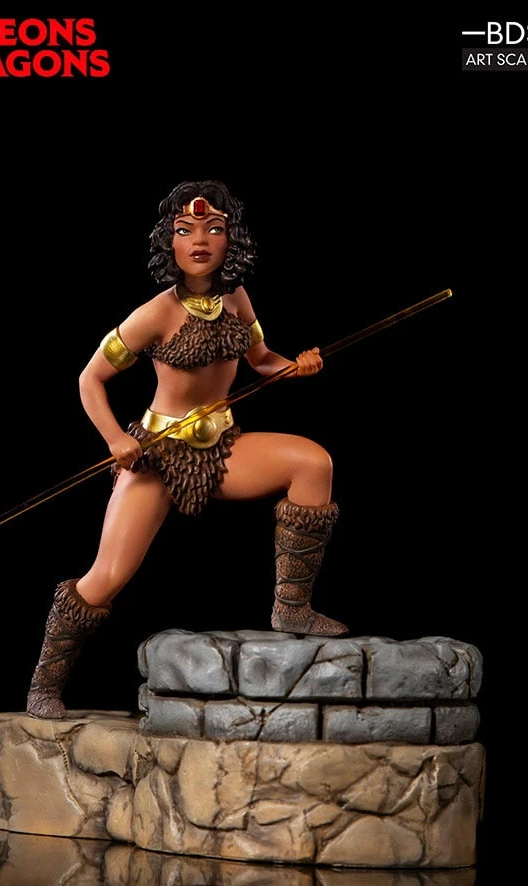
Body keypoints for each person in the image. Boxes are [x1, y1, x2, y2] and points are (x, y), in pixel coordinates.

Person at [26, 180, 347, 720]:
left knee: (313, 464)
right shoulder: (155, 313)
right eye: (185, 230)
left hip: (222, 448)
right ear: (168, 242)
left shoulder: (236, 298)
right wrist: (116, 439)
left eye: (213, 228)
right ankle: (44, 685)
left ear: (230, 239)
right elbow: (89, 378)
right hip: (158, 456)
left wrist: (298, 366)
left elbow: (262, 361)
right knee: (107, 576)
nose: (199, 240)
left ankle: (291, 607)